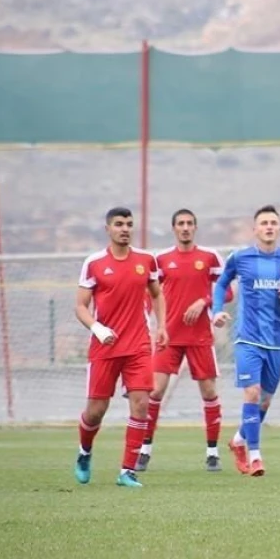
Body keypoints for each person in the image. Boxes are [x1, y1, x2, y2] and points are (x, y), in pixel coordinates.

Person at [212, 205, 280, 476]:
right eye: (264, 223)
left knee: (264, 402)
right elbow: (221, 284)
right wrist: (217, 310)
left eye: (273, 223)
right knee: (252, 393)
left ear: (279, 228)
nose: (269, 227)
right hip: (247, 339)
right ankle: (255, 456)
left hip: (277, 342)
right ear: (255, 229)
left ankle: (238, 441)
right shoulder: (241, 257)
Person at [73, 207, 167, 489]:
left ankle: (128, 471)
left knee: (142, 405)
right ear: (108, 229)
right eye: (118, 224)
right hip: (105, 348)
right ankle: (84, 452)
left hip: (138, 346)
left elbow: (157, 293)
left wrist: (161, 325)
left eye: (128, 224)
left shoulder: (146, 260)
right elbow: (80, 306)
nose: (125, 228)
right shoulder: (94, 263)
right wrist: (98, 328)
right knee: (95, 411)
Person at [137, 209, 235, 473]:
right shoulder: (161, 260)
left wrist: (204, 301)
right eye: (180, 223)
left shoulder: (209, 257)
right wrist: (146, 322)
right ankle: (144, 450)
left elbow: (227, 290)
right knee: (154, 392)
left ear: (195, 228)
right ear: (174, 228)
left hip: (200, 336)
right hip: (168, 337)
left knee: (209, 393)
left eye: (190, 223)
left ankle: (212, 453)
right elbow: (150, 295)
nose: (185, 227)